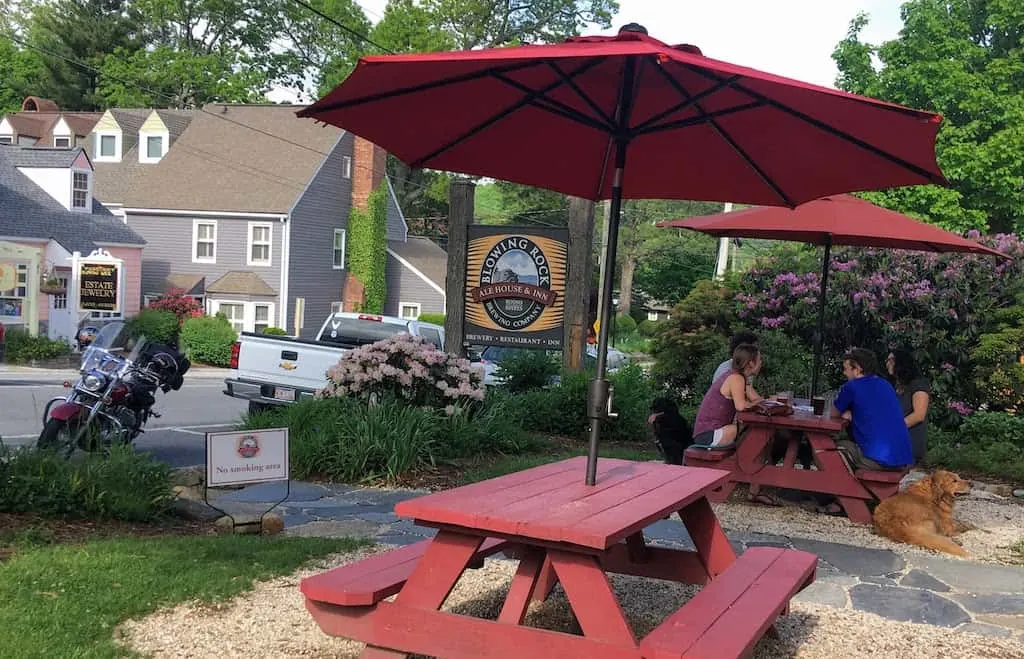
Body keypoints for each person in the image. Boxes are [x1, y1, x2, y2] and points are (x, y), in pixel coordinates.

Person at [693, 344, 764, 449]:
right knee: (751, 431)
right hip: (709, 435)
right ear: (751, 363)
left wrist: (764, 401)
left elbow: (757, 399)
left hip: (706, 433)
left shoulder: (738, 377)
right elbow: (741, 406)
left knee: (750, 430)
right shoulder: (736, 378)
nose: (761, 363)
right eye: (759, 360)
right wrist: (757, 403)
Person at [886, 348, 931, 463]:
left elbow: (919, 415)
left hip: (909, 443)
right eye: (887, 360)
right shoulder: (897, 386)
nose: (887, 364)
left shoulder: (918, 383)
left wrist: (892, 429)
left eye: (891, 360)